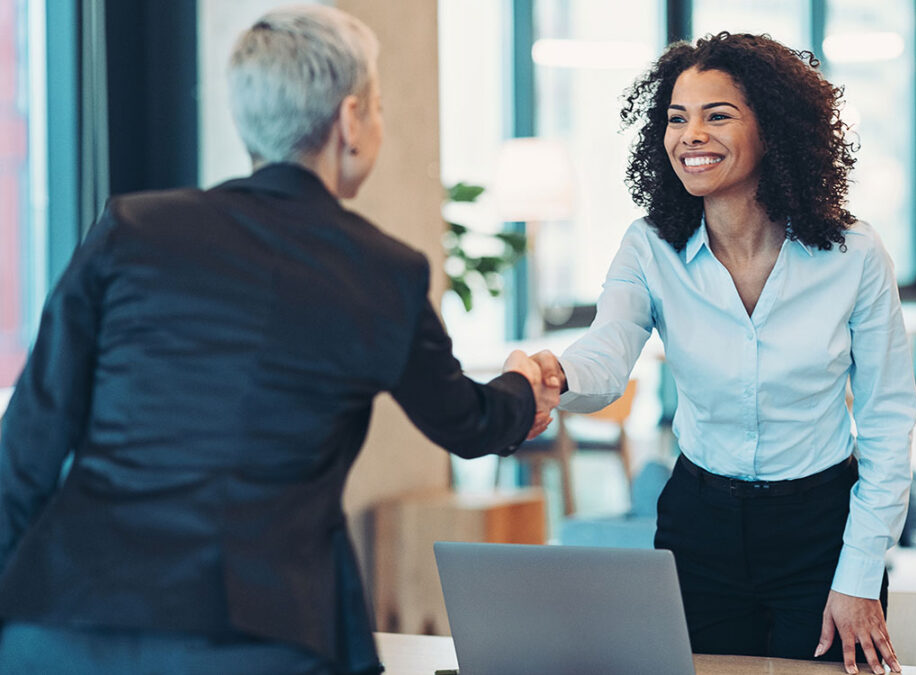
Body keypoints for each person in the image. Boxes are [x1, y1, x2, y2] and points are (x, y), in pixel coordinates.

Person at [0, 6, 557, 674]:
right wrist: (524, 388)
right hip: (256, 637)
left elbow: (29, 445)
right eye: (378, 105)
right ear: (351, 121)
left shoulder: (130, 229)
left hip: (63, 624)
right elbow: (467, 422)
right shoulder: (383, 271)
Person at [530, 32, 916, 675]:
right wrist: (554, 374)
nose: (691, 135)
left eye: (718, 115)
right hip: (699, 525)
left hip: (820, 529)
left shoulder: (854, 255)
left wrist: (858, 574)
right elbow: (607, 353)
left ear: (774, 130)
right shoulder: (649, 247)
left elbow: (887, 421)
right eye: (677, 118)